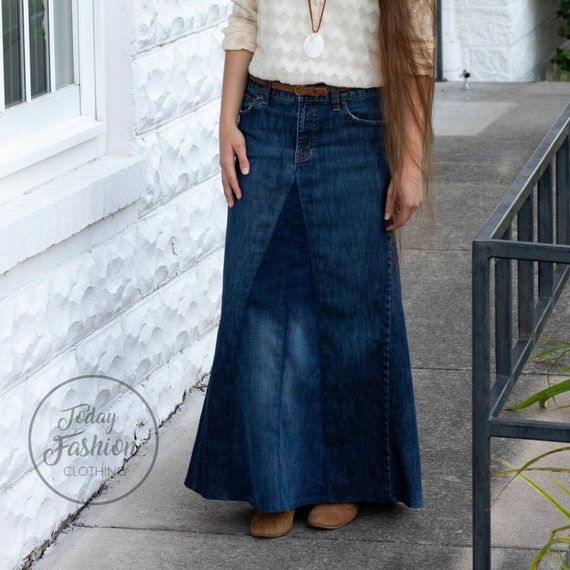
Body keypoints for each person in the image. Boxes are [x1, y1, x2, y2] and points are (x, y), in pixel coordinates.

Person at [184, 0, 436, 538]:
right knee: (261, 303)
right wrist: (226, 122)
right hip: (266, 120)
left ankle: (343, 479)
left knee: (353, 307)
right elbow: (245, 20)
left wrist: (410, 163)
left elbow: (416, 47)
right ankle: (274, 484)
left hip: (357, 125)